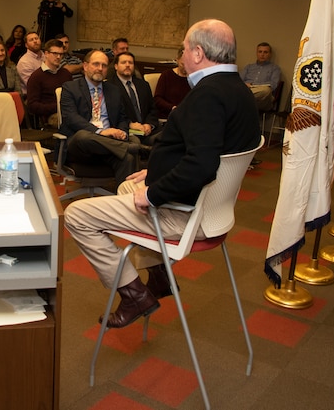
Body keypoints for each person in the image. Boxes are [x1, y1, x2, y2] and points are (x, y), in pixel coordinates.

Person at [64, 19, 261, 329]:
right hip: (213, 209)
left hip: (185, 214)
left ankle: (133, 294)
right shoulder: (239, 91)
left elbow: (201, 165)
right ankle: (159, 277)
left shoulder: (207, 96)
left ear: (197, 53)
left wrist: (153, 192)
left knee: (76, 215)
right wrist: (151, 172)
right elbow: (204, 152)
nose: (180, 57)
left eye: (183, 50)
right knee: (127, 189)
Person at [59, 50, 145, 184]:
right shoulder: (70, 87)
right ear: (85, 66)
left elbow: (122, 118)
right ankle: (131, 147)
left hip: (108, 145)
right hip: (81, 147)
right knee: (83, 135)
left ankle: (123, 200)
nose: (100, 68)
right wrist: (100, 132)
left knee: (127, 158)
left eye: (104, 65)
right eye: (96, 64)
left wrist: (121, 132)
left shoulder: (113, 90)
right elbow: (71, 118)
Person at [111, 51, 161, 146]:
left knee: (170, 135)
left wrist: (149, 124)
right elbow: (113, 115)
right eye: (123, 62)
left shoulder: (143, 85)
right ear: (116, 66)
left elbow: (153, 109)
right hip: (127, 131)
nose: (127, 65)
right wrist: (130, 124)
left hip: (147, 131)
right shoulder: (110, 87)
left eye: (130, 63)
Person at [26, 39, 72, 126]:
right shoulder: (36, 76)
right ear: (46, 54)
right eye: (55, 53)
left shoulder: (66, 74)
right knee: (69, 120)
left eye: (61, 54)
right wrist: (57, 107)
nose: (58, 57)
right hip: (50, 116)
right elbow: (32, 106)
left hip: (68, 111)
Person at [240, 42, 282, 111]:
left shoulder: (275, 68)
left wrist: (252, 86)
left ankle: (242, 100)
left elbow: (273, 85)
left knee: (266, 90)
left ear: (270, 54)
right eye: (260, 52)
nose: (262, 54)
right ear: (257, 53)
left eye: (265, 52)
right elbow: (239, 81)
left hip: (263, 97)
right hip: (247, 91)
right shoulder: (249, 67)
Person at [153, 50, 191, 118]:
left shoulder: (193, 78)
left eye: (188, 64)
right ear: (177, 60)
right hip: (167, 115)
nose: (185, 67)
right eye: (183, 64)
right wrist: (172, 108)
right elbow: (157, 99)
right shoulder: (167, 75)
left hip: (186, 116)